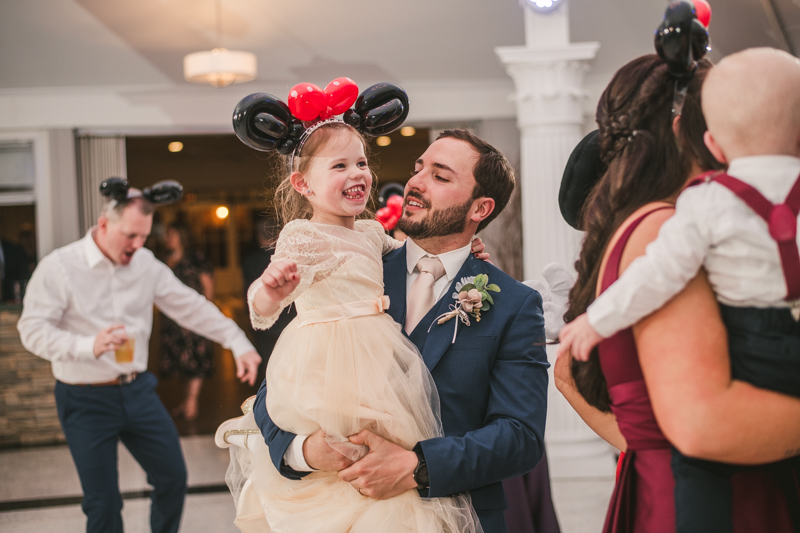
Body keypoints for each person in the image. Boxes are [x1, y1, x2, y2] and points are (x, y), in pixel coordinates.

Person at [242, 127, 549, 533]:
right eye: (418, 168)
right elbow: (278, 392)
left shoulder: (514, 304)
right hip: (335, 512)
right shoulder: (351, 271)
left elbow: (520, 437)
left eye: (440, 176)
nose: (416, 183)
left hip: (455, 517)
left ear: (480, 208)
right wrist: (305, 452)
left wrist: (416, 466)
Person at [553, 50, 800, 533]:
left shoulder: (668, 223)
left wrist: (647, 447)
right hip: (720, 502)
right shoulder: (666, 229)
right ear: (683, 129)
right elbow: (702, 424)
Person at [16, 181, 262, 533]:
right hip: (84, 397)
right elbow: (32, 329)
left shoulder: (145, 263)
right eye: (130, 235)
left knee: (173, 479)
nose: (137, 245)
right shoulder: (60, 267)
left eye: (144, 236)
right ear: (104, 225)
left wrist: (237, 341)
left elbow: (190, 306)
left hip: (137, 392)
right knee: (102, 503)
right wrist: (88, 345)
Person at [159, 222, 215, 421]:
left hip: (195, 316)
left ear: (182, 237)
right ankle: (186, 400)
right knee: (180, 362)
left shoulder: (196, 258)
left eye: (172, 235)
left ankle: (193, 401)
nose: (169, 239)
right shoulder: (165, 260)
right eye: (168, 235)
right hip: (173, 320)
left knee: (196, 359)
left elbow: (208, 285)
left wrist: (206, 312)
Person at [240, 213, 296, 384]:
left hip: (264, 321)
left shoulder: (249, 261)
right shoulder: (289, 259)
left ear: (259, 236)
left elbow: (248, 290)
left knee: (268, 365)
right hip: (290, 318)